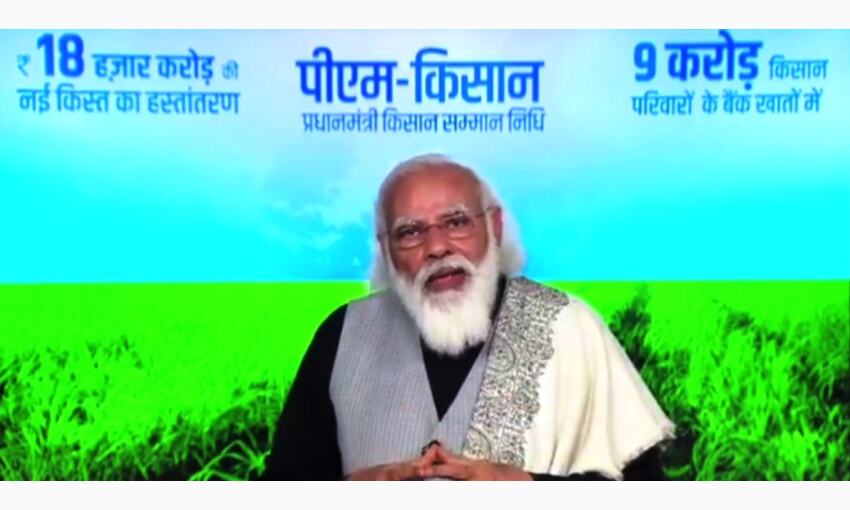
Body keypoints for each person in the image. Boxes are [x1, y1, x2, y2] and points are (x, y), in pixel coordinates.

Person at [261, 154, 675, 481]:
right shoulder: (343, 334)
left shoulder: (570, 326)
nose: (437, 247)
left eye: (456, 222)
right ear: (386, 250)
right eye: (410, 232)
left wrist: (526, 486)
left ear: (493, 227)